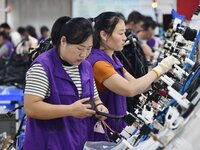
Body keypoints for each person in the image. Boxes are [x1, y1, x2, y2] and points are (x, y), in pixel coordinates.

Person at [87, 11, 180, 141]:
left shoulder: (112, 58)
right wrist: (160, 69)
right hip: (104, 134)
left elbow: (138, 85)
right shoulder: (98, 63)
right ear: (104, 35)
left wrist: (164, 74)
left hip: (118, 129)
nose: (125, 37)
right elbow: (130, 89)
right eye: (120, 33)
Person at [23, 16, 108, 150]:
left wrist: (100, 107)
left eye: (89, 49)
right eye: (80, 48)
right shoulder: (43, 67)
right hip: (50, 144)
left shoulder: (86, 67)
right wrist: (69, 110)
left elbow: (95, 98)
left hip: (80, 142)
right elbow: (31, 108)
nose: (84, 54)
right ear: (63, 41)